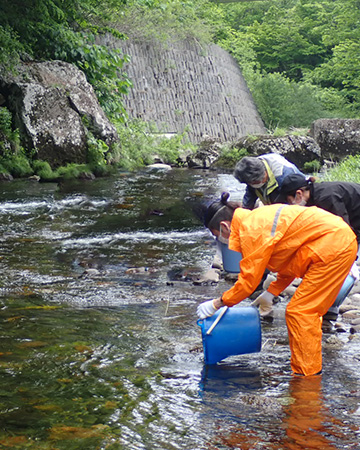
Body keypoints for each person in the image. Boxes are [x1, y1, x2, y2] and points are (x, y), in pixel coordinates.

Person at [197, 200, 357, 376]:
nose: (220, 240)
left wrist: (217, 303)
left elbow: (248, 282)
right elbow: (289, 260)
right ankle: (305, 368)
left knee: (301, 312)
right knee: (303, 311)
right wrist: (271, 292)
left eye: (216, 235)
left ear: (224, 226)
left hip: (333, 248)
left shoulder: (251, 231)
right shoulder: (254, 221)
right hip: (333, 243)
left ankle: (307, 376)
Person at [280, 174, 360, 327]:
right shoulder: (314, 199)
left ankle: (329, 308)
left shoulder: (326, 198)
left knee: (341, 266)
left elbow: (344, 232)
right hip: (355, 224)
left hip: (352, 227)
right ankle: (328, 311)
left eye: (289, 200)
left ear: (298, 194)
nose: (290, 205)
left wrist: (350, 261)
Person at [234, 154, 304, 210]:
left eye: (255, 182)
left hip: (297, 200)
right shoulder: (251, 168)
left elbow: (291, 207)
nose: (253, 185)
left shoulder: (284, 177)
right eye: (250, 183)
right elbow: (249, 199)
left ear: (264, 173)